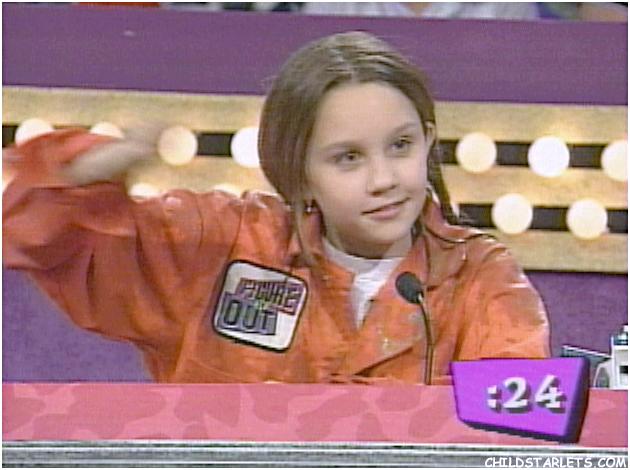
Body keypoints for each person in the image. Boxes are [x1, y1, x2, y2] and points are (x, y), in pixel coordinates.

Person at [3, 31, 550, 385]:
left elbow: (520, 427)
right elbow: (42, 237)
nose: (385, 179)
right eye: (348, 158)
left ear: (429, 141)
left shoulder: (480, 276)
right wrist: (83, 171)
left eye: (401, 146)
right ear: (297, 173)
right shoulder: (218, 244)